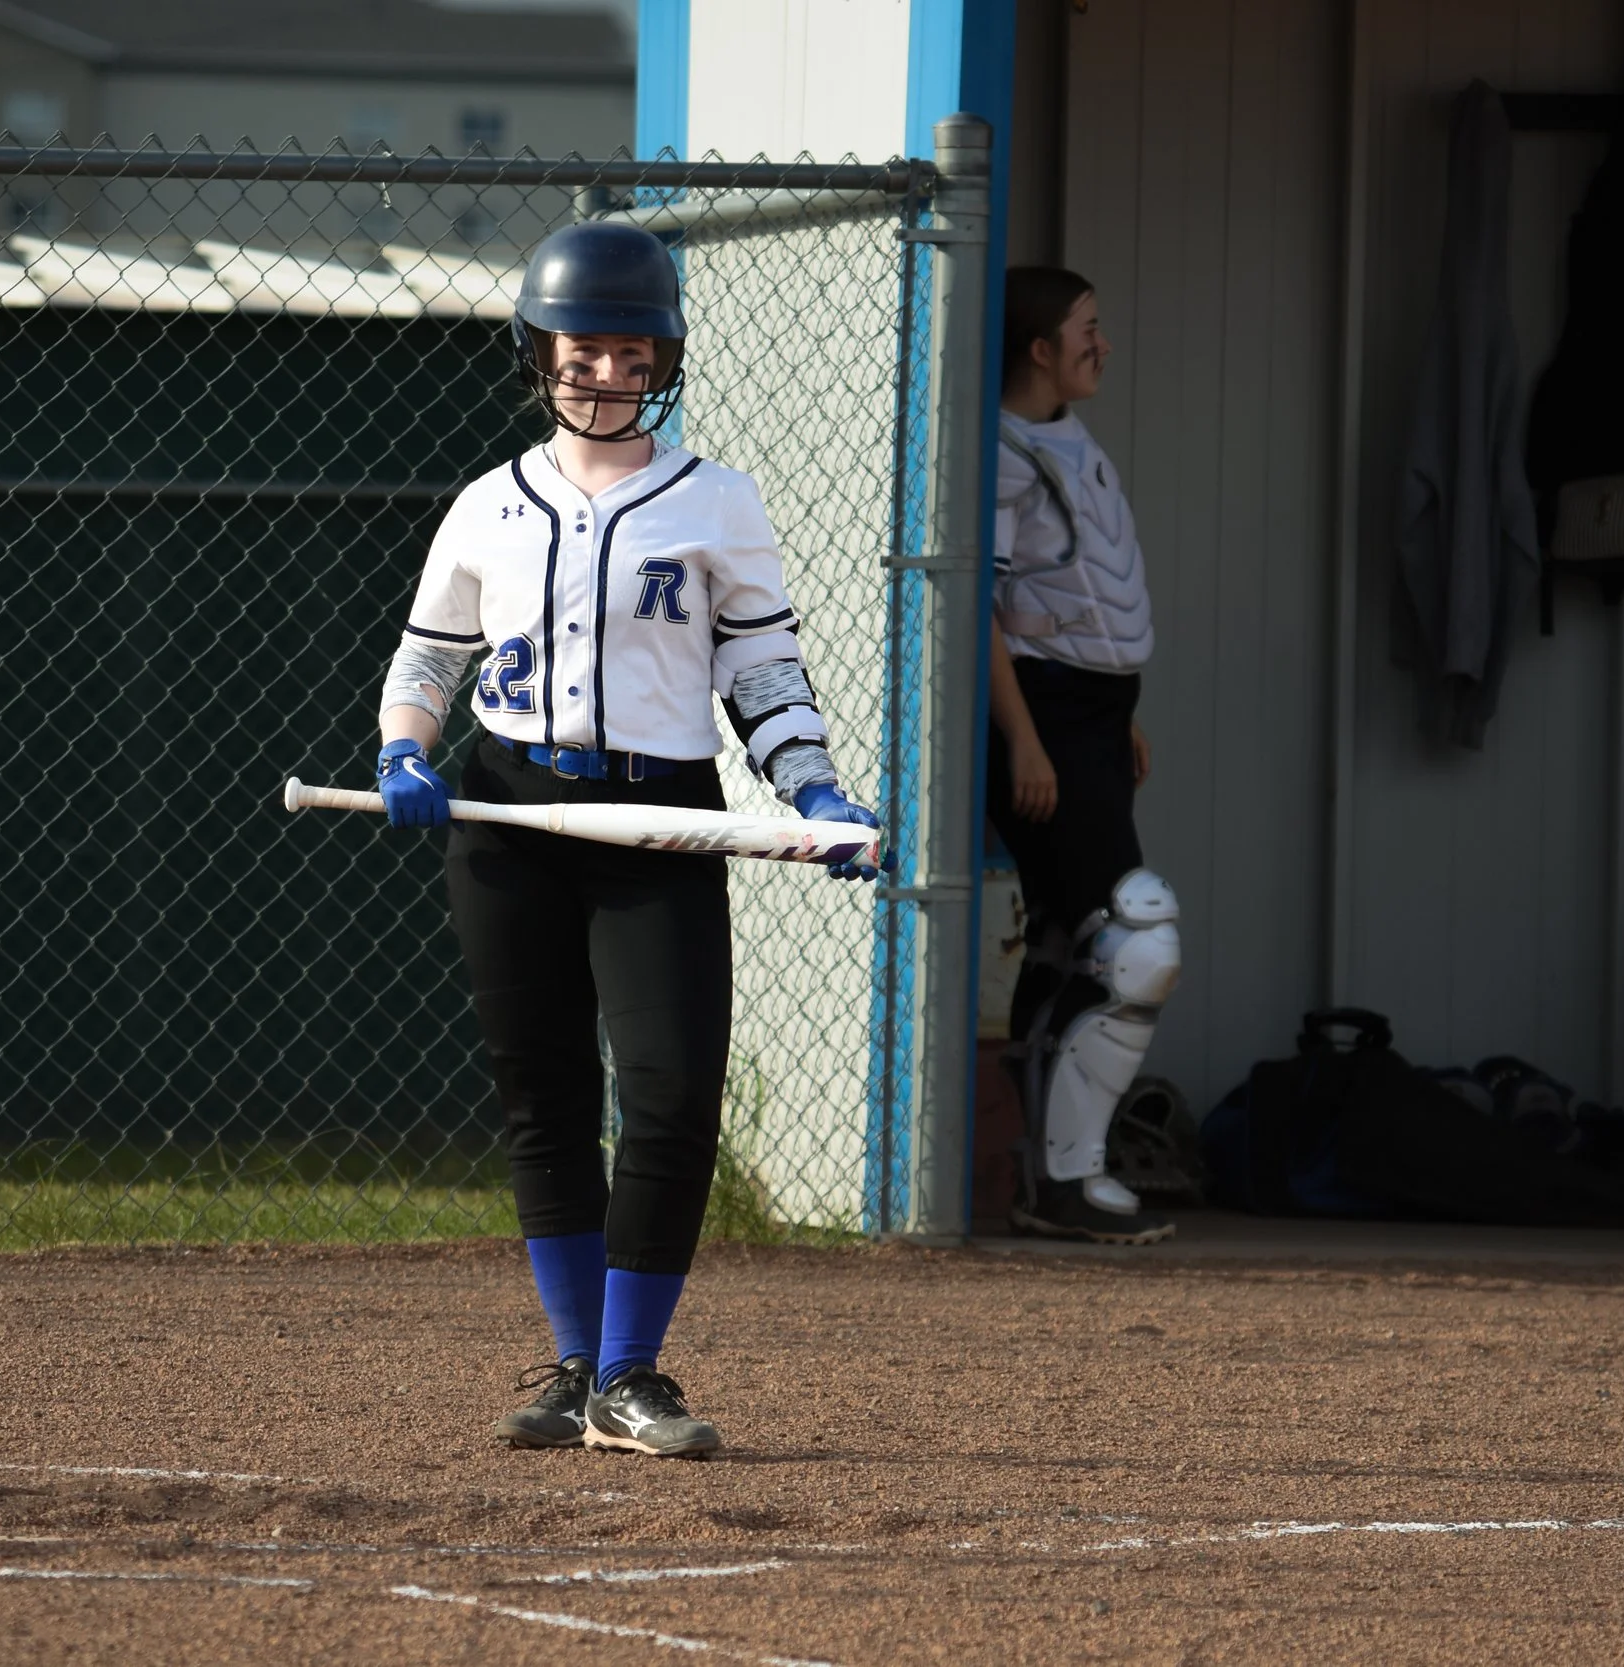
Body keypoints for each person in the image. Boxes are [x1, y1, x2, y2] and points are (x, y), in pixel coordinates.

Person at [371, 221, 881, 1457]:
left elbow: (763, 667)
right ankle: (574, 1364)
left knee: (666, 1091)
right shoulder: (488, 502)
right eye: (581, 352)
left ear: (666, 358)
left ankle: (631, 1373)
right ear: (538, 356)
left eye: (630, 351)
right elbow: (431, 655)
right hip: (508, 811)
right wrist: (401, 749)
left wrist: (814, 791)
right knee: (541, 1091)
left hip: (660, 816)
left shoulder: (717, 501)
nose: (606, 374)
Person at [983, 267, 1184, 1247]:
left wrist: (1119, 715)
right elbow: (984, 610)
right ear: (1039, 349)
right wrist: (1026, 736)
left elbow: (1082, 595)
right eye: (1086, 330)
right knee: (1133, 939)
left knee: (1073, 936)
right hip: (1045, 716)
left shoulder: (1064, 433)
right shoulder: (1006, 452)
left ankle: (1051, 1178)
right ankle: (1063, 1179)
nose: (1101, 345)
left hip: (1095, 714)